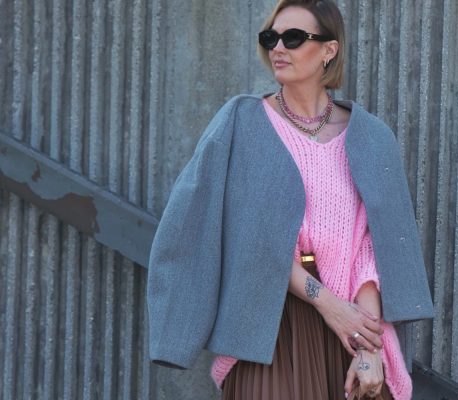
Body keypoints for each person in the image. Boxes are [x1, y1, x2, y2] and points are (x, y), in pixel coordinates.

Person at [146, 1, 433, 399]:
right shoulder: (241, 123)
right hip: (269, 332)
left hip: (350, 338)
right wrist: (329, 305)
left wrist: (368, 347)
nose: (278, 48)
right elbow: (242, 234)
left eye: (294, 38)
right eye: (271, 38)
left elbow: (372, 249)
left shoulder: (371, 136)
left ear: (329, 50)